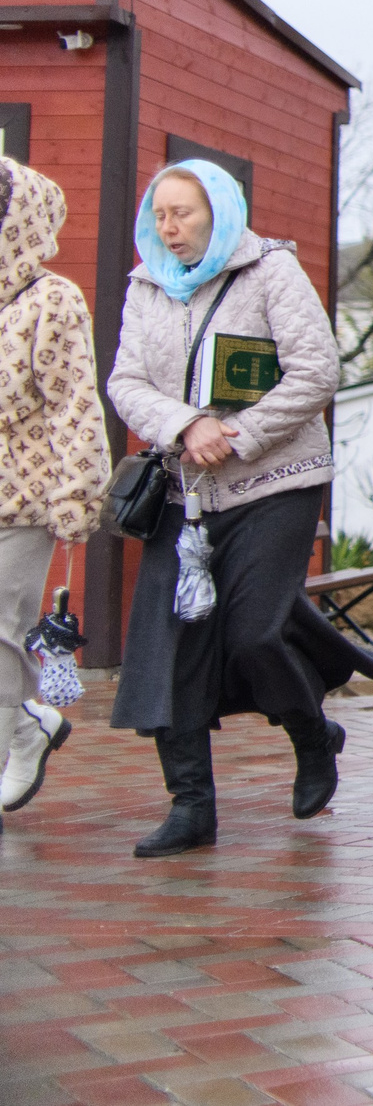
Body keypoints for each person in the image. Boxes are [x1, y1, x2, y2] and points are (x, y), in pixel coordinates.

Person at [106, 158, 373, 856]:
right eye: (160, 214)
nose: (169, 227)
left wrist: (240, 434)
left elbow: (317, 369)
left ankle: (313, 736)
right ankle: (192, 805)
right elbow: (126, 380)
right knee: (175, 648)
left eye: (183, 212)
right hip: (185, 493)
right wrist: (183, 425)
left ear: (219, 211)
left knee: (255, 631)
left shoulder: (270, 272)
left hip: (274, 480)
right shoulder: (146, 286)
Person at [0, 157, 111, 823]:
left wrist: (77, 494)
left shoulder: (53, 300)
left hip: (21, 498)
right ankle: (29, 721)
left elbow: (75, 402)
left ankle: (17, 738)